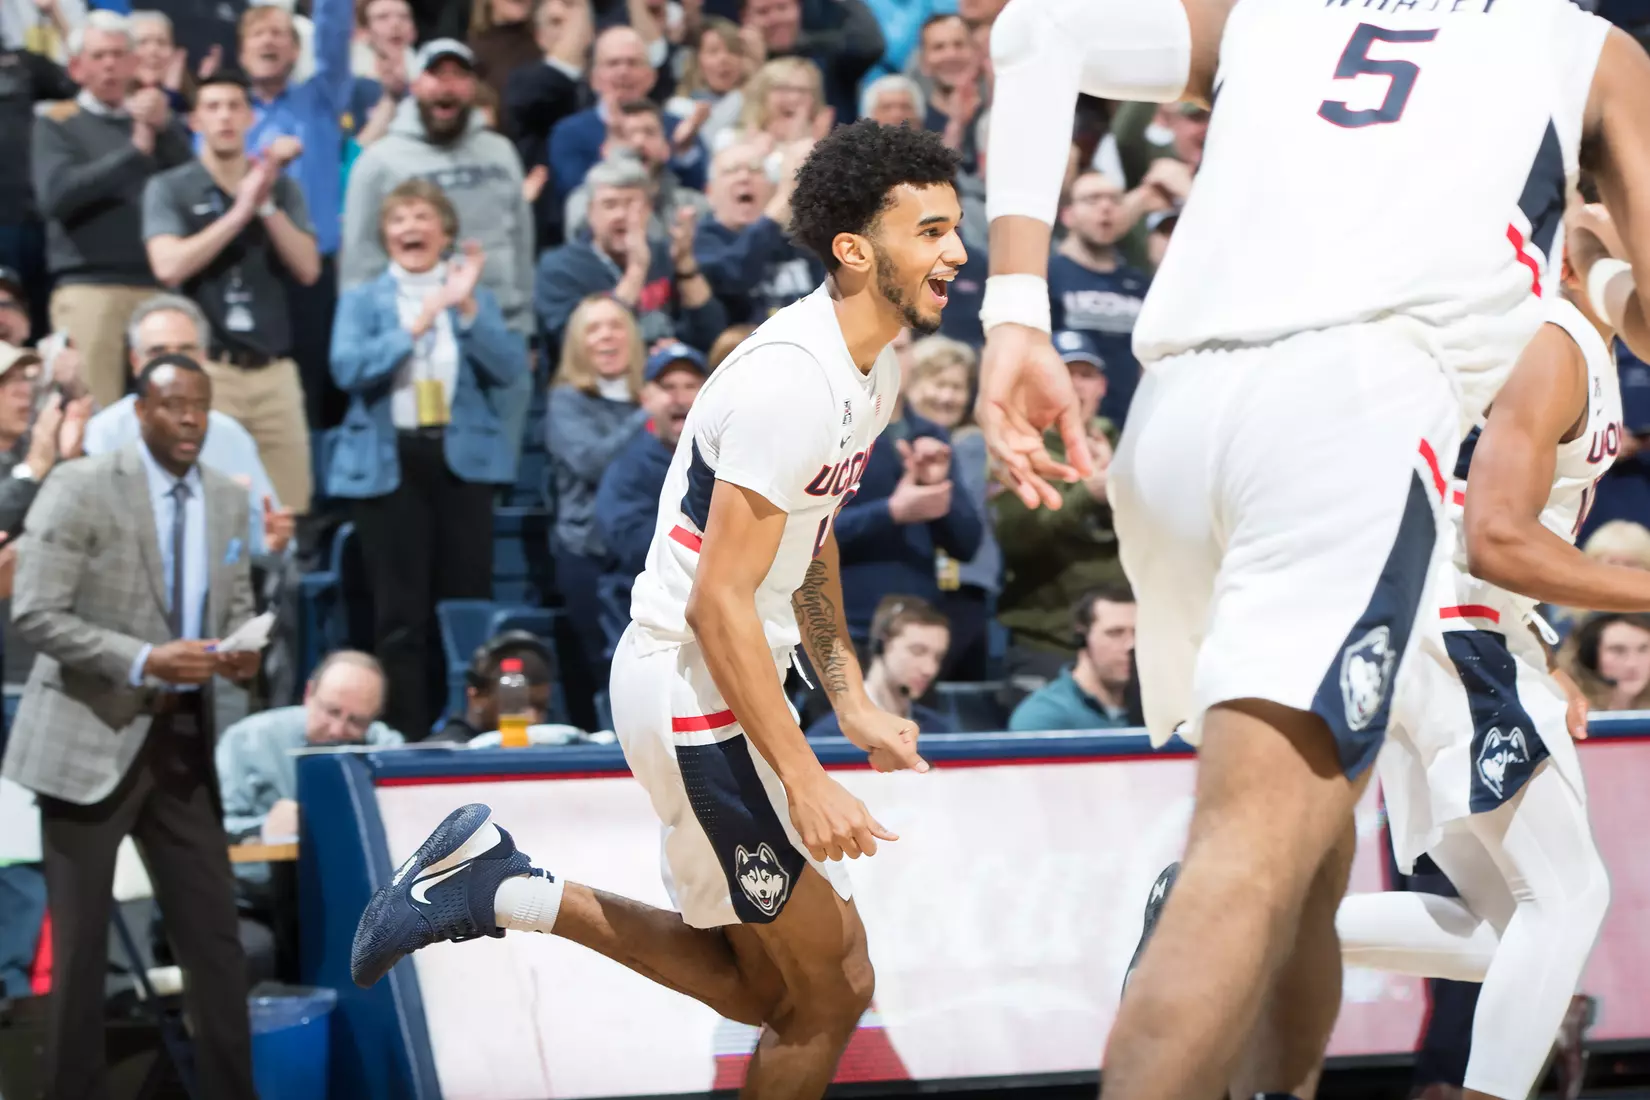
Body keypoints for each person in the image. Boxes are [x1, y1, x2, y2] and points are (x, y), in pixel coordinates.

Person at [972, 1, 1650, 1097]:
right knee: (1251, 866)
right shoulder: (1587, 47)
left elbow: (1031, 30)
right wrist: (1607, 262)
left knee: (1308, 859)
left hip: (1172, 416)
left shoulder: (1271, 12)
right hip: (1351, 413)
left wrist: (1015, 312)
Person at [351, 121, 962, 1097]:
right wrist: (806, 776)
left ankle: (500, 887)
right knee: (831, 984)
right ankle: (501, 890)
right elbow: (721, 602)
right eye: (931, 231)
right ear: (856, 248)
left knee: (783, 989)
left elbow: (810, 542)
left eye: (956, 229)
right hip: (695, 688)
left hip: (733, 685)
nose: (957, 252)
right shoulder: (791, 381)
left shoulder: (876, 366)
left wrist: (847, 696)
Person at [1329, 213, 1629, 1100]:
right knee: (1568, 903)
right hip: (1454, 629)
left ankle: (1220, 916)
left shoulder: (1582, 342)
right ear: (1574, 248)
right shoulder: (1554, 338)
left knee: (1517, 937)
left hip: (1461, 632)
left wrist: (1542, 644)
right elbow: (1494, 536)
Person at [1, 353, 260, 1100]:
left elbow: (235, 605)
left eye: (201, 407)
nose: (190, 419)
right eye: (175, 405)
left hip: (182, 745)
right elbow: (36, 612)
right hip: (88, 736)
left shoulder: (225, 498)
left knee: (216, 945)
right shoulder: (81, 485)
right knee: (79, 956)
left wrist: (241, 652)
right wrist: (145, 659)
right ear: (141, 410)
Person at [329, 178, 529, 740]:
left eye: (422, 217)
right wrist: (413, 327)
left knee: (467, 605)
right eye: (398, 219)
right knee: (400, 614)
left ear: (445, 233)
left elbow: (510, 368)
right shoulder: (364, 299)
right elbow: (347, 368)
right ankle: (407, 731)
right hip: (390, 466)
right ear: (385, 234)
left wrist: (464, 305)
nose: (409, 228)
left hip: (460, 464)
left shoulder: (474, 295)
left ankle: (469, 725)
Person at [144, 67, 320, 515]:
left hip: (275, 368)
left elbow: (308, 269)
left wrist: (263, 203)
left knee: (288, 508)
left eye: (234, 106)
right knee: (212, 506)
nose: (224, 116)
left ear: (250, 118)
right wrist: (239, 213)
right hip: (210, 370)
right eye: (212, 107)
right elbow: (167, 265)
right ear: (195, 122)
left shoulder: (281, 187)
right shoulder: (170, 187)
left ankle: (282, 586)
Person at [34, 11, 193, 406]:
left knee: (168, 409)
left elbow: (191, 189)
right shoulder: (57, 124)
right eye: (99, 55)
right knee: (91, 410)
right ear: (77, 66)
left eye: (119, 54)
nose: (110, 64)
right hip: (90, 288)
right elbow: (56, 197)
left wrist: (165, 130)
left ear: (134, 63)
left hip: (157, 289)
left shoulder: (160, 125)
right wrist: (134, 152)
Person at [83, 293, 293, 554]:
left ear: (203, 358)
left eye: (185, 350)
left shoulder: (230, 436)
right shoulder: (105, 432)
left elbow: (268, 541)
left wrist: (273, 545)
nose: (172, 362)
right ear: (135, 362)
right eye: (157, 351)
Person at [536, 156, 728, 350]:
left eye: (630, 204)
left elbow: (712, 334)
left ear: (648, 210)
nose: (620, 215)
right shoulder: (560, 267)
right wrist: (636, 270)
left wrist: (685, 266)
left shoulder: (665, 254)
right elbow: (576, 344)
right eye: (610, 205)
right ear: (591, 212)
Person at [593, 341, 709, 654]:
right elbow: (628, 541)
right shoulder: (630, 465)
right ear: (646, 398)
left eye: (690, 385)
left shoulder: (724, 457)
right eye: (667, 386)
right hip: (647, 620)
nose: (680, 396)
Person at [218, 650, 400, 846]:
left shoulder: (386, 747)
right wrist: (263, 829)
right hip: (269, 872)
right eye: (332, 711)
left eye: (356, 721)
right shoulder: (247, 741)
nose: (337, 730)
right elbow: (217, 827)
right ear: (308, 694)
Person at [1047, 169, 1149, 424]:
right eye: (1092, 200)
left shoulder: (1139, 284)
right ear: (1067, 215)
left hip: (1131, 420)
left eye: (1115, 200)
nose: (1105, 207)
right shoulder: (1048, 274)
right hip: (1065, 421)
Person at [806, 595, 954, 737]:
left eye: (938, 657)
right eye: (917, 651)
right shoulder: (831, 735)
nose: (929, 669)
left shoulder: (940, 732)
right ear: (882, 644)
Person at [1008, 585, 1135, 732]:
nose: (1131, 644)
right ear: (1082, 638)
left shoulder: (1159, 708)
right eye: (1115, 633)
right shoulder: (1044, 718)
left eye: (1138, 632)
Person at [427, 630, 556, 742]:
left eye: (540, 707)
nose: (531, 718)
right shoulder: (444, 756)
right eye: (516, 705)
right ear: (476, 696)